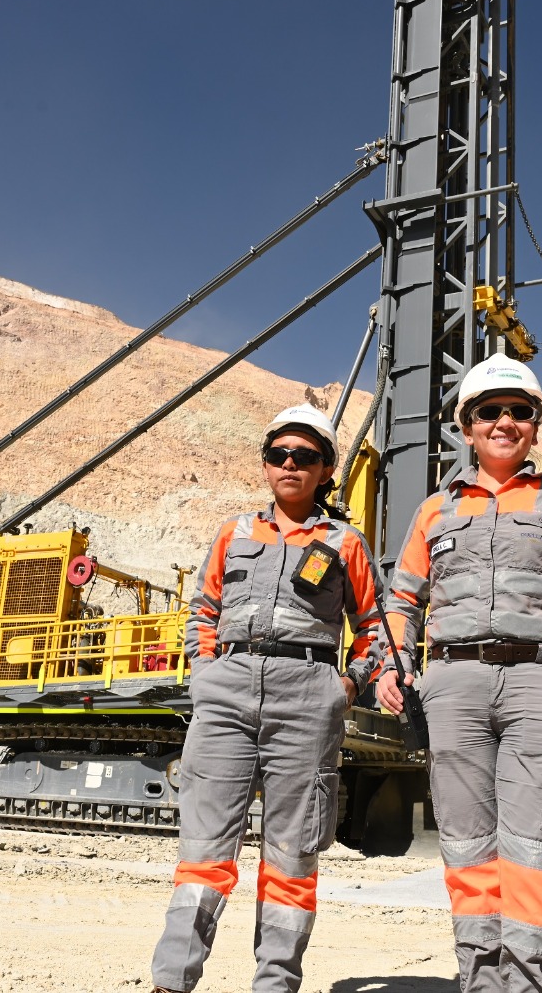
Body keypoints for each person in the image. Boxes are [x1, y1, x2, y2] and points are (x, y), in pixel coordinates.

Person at [376, 353, 542, 993]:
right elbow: (402, 600)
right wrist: (400, 671)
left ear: (535, 427)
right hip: (453, 686)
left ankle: (531, 984)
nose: (504, 422)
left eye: (519, 412)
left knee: (536, 850)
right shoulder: (436, 511)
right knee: (466, 846)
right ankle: (481, 982)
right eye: (489, 411)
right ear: (467, 426)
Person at [151, 404, 385, 993]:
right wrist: (205, 673)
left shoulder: (344, 543)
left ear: (326, 470)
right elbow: (203, 612)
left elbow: (377, 628)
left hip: (308, 696)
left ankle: (275, 983)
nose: (290, 464)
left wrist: (347, 685)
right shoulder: (234, 533)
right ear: (265, 464)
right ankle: (172, 980)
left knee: (292, 852)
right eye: (279, 454)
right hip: (226, 692)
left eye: (305, 457)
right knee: (204, 847)